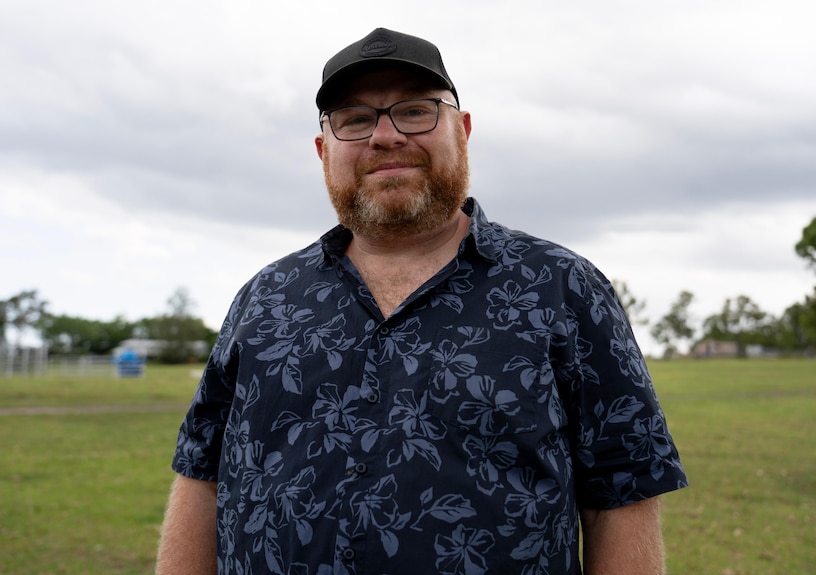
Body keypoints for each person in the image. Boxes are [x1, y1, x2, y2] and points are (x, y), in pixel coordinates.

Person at [156, 27, 687, 575]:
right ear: (323, 150)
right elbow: (202, 474)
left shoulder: (564, 289)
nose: (384, 137)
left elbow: (621, 497)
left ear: (464, 131)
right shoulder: (263, 299)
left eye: (415, 112)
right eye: (354, 119)